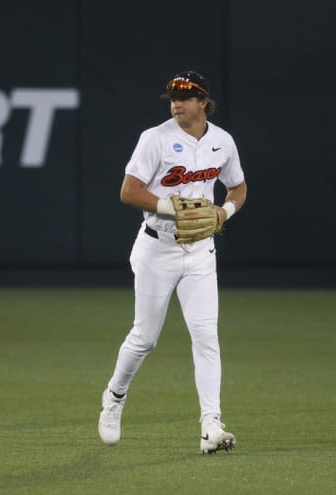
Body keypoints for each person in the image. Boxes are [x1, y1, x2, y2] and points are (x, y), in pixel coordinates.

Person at [98, 71, 247, 454]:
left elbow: (238, 186)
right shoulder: (156, 138)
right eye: (173, 97)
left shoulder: (222, 141)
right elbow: (128, 191)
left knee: (206, 336)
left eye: (185, 97)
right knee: (145, 338)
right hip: (156, 250)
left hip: (200, 252)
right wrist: (173, 208)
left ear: (204, 101)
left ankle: (211, 425)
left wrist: (224, 212)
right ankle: (114, 397)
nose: (176, 103)